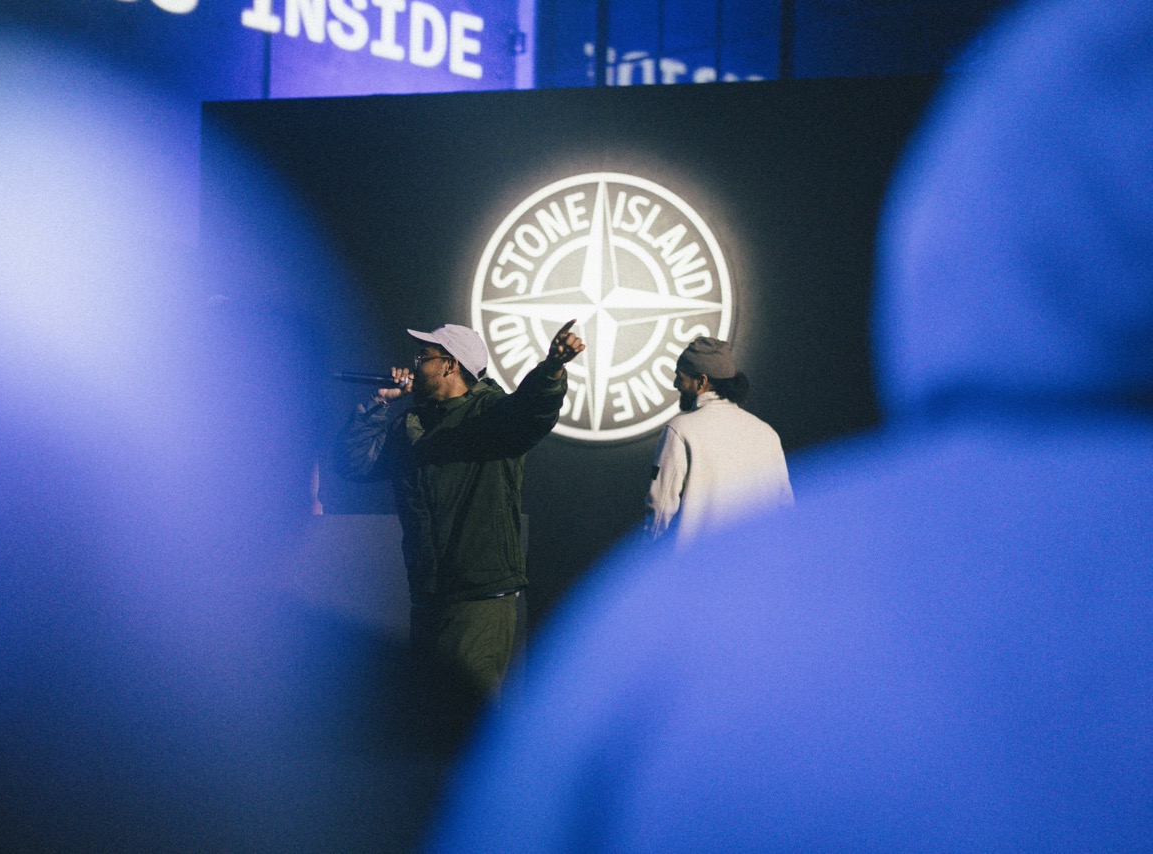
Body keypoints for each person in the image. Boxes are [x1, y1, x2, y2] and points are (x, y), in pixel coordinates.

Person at [426, 0, 1153, 849]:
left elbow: (662, 521)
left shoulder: (661, 637)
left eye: (678, 370)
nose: (672, 379)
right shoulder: (769, 440)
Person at [341, 321, 584, 739]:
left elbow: (534, 410)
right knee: (429, 728)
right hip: (430, 595)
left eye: (424, 357)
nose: (414, 364)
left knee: (465, 727)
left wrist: (551, 369)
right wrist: (379, 403)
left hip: (479, 597)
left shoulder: (491, 415)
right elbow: (356, 464)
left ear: (450, 365)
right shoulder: (411, 424)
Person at [645, 336, 793, 545]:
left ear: (702, 382)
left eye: (680, 377)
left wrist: (652, 556)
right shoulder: (766, 433)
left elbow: (660, 509)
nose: (675, 384)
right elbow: (785, 509)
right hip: (759, 561)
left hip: (698, 562)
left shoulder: (680, 430)